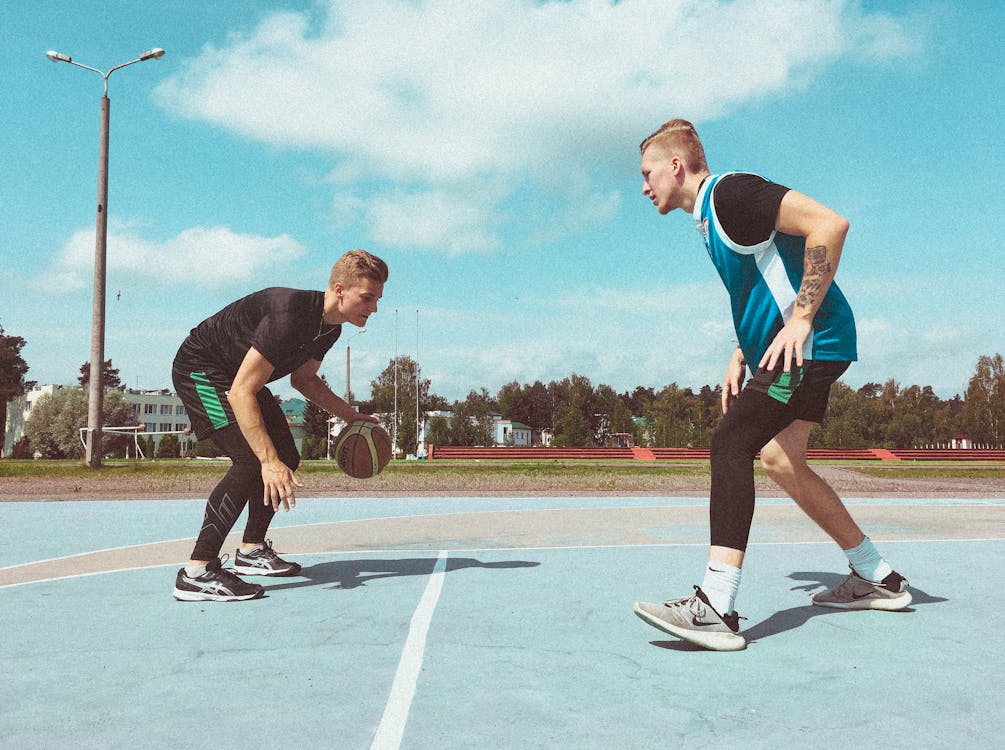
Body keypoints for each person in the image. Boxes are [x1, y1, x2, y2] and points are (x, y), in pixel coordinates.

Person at [633, 119, 910, 651]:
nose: (645, 187)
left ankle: (715, 605)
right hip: (793, 350)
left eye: (648, 174)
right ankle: (878, 575)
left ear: (675, 166)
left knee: (730, 443)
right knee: (782, 462)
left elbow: (830, 224)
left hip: (812, 343)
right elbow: (766, 281)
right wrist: (742, 350)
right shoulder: (711, 221)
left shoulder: (731, 194)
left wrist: (802, 319)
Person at [171, 249, 388, 602]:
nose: (374, 308)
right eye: (367, 298)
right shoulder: (289, 315)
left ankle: (251, 551)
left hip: (236, 380)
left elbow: (304, 381)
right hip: (201, 371)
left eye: (377, 299)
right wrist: (267, 462)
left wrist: (350, 415)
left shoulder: (329, 329)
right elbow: (242, 391)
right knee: (252, 461)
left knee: (286, 454)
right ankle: (197, 571)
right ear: (339, 289)